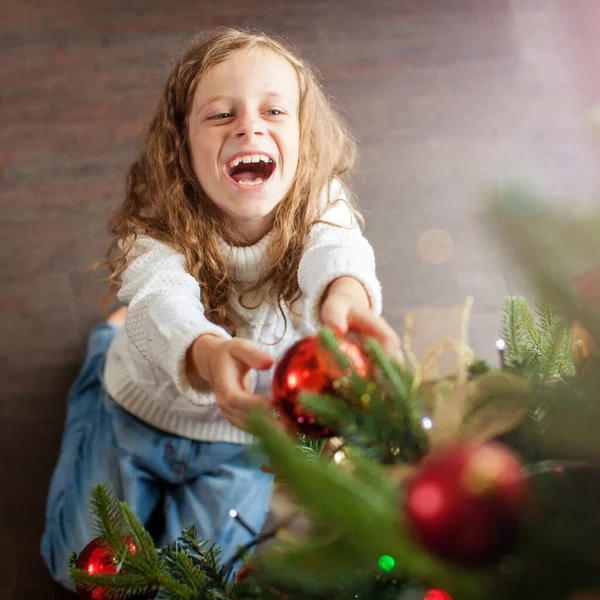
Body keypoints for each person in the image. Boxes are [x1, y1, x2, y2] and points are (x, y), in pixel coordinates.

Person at [40, 27, 400, 591]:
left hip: (236, 446)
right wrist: (206, 351)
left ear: (304, 138)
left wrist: (345, 295)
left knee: (202, 586)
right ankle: (99, 354)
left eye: (274, 111)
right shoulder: (155, 224)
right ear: (182, 146)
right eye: (219, 115)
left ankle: (108, 340)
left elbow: (340, 250)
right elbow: (159, 295)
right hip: (134, 415)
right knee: (77, 570)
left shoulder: (320, 206)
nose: (249, 127)